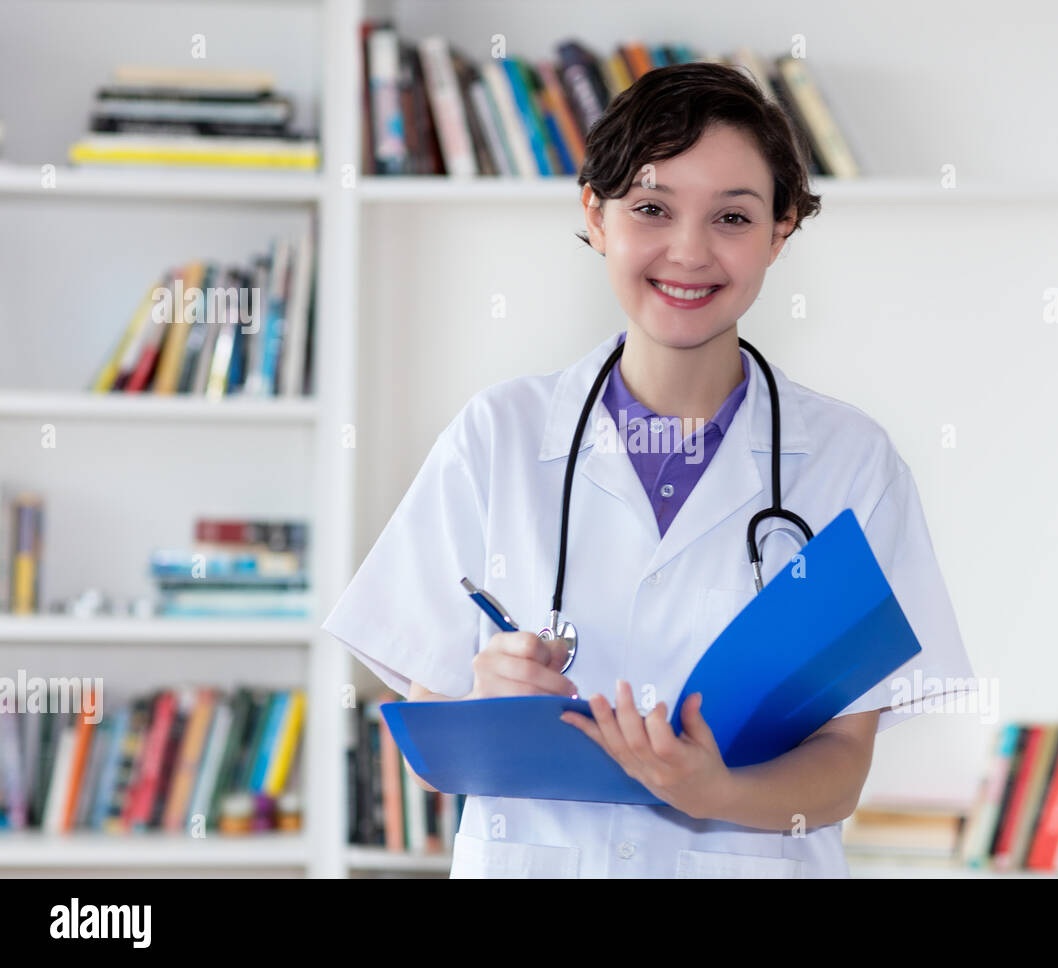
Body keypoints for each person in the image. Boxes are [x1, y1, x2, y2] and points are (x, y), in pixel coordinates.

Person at [323, 61, 973, 877]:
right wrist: (485, 702)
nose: (689, 251)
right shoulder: (498, 436)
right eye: (652, 209)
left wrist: (714, 794)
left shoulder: (851, 464)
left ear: (780, 232)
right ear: (596, 217)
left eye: (733, 216)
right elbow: (430, 749)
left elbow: (843, 762)